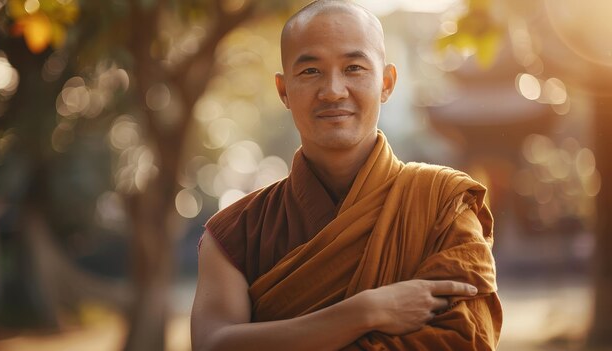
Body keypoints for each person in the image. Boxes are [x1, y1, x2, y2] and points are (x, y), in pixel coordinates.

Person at [191, 0, 502, 350]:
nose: (333, 91)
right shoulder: (235, 233)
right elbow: (212, 345)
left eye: (354, 68)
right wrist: (362, 312)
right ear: (283, 91)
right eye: (311, 72)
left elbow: (466, 340)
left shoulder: (444, 204)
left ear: (386, 83)